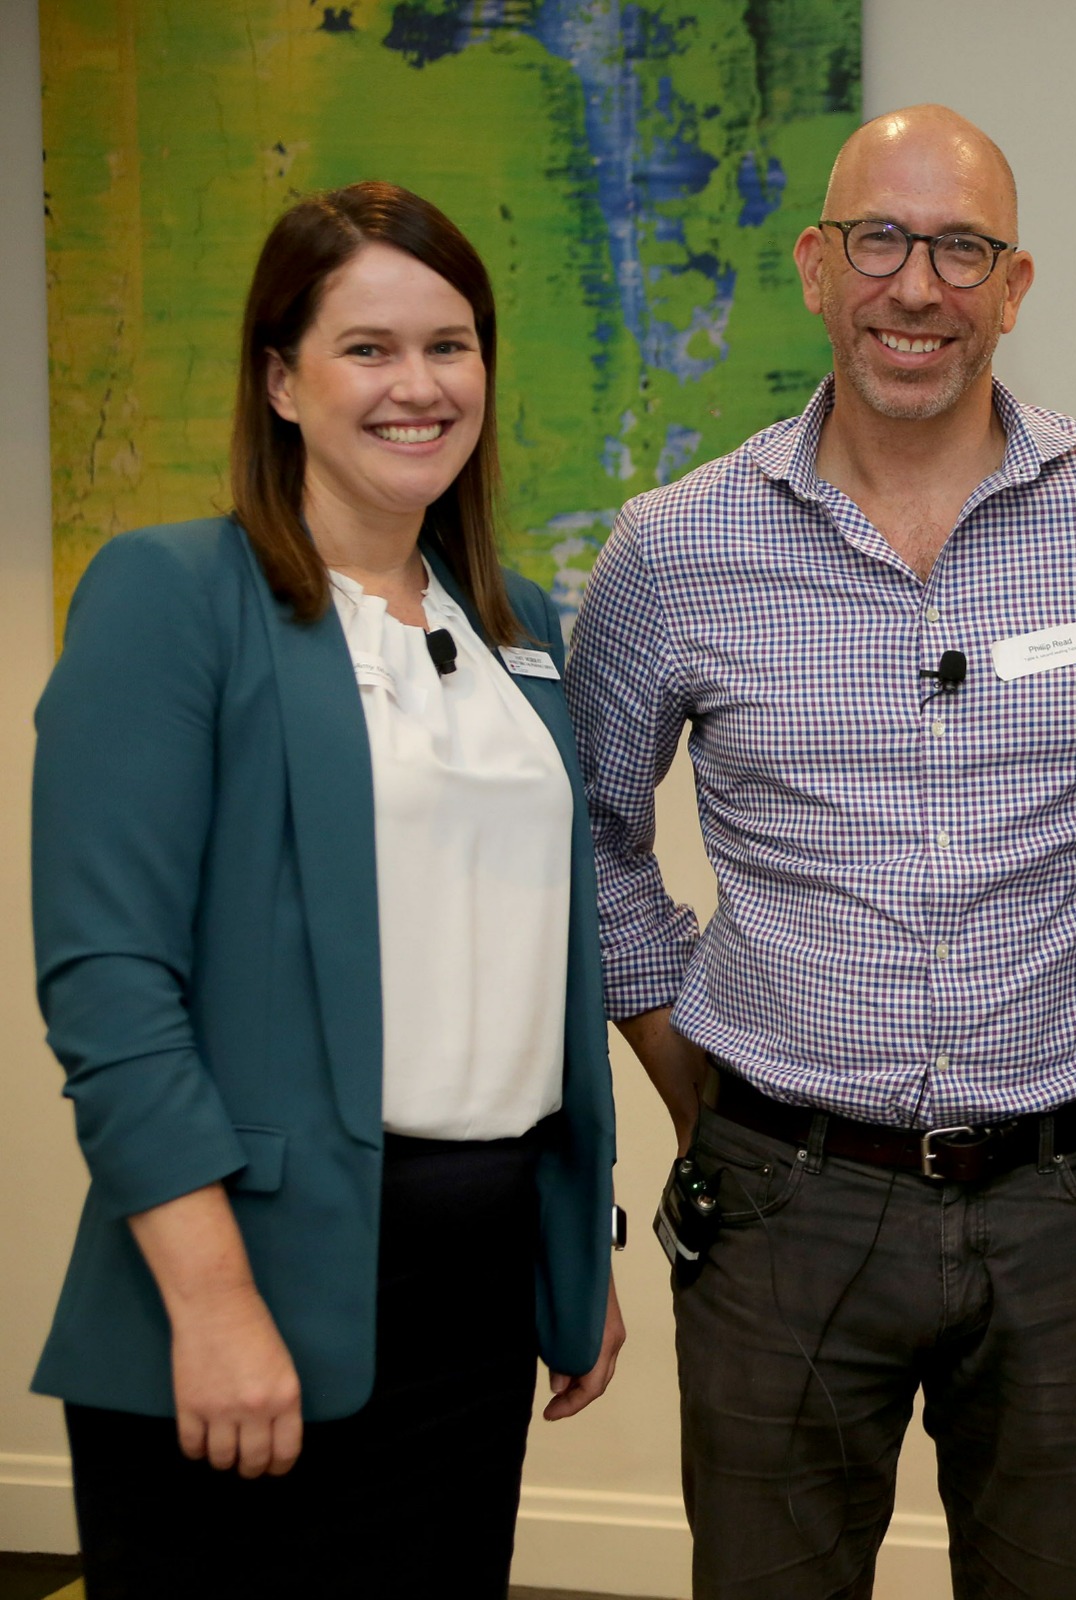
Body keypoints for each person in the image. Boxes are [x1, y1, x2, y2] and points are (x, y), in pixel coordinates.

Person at [564, 104, 1076, 1599]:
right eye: (881, 240)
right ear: (819, 268)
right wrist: (695, 1061)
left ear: (1014, 290)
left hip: (1072, 1208)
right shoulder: (676, 548)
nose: (918, 286)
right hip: (781, 1203)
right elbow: (593, 834)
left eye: (962, 248)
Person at [31, 181, 624, 1599]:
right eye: (367, 348)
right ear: (281, 378)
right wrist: (215, 1298)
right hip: (252, 1285)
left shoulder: (516, 621)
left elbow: (527, 952)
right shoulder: (175, 596)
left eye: (451, 343)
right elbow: (110, 985)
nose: (417, 385)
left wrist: (572, 1244)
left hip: (475, 1294)